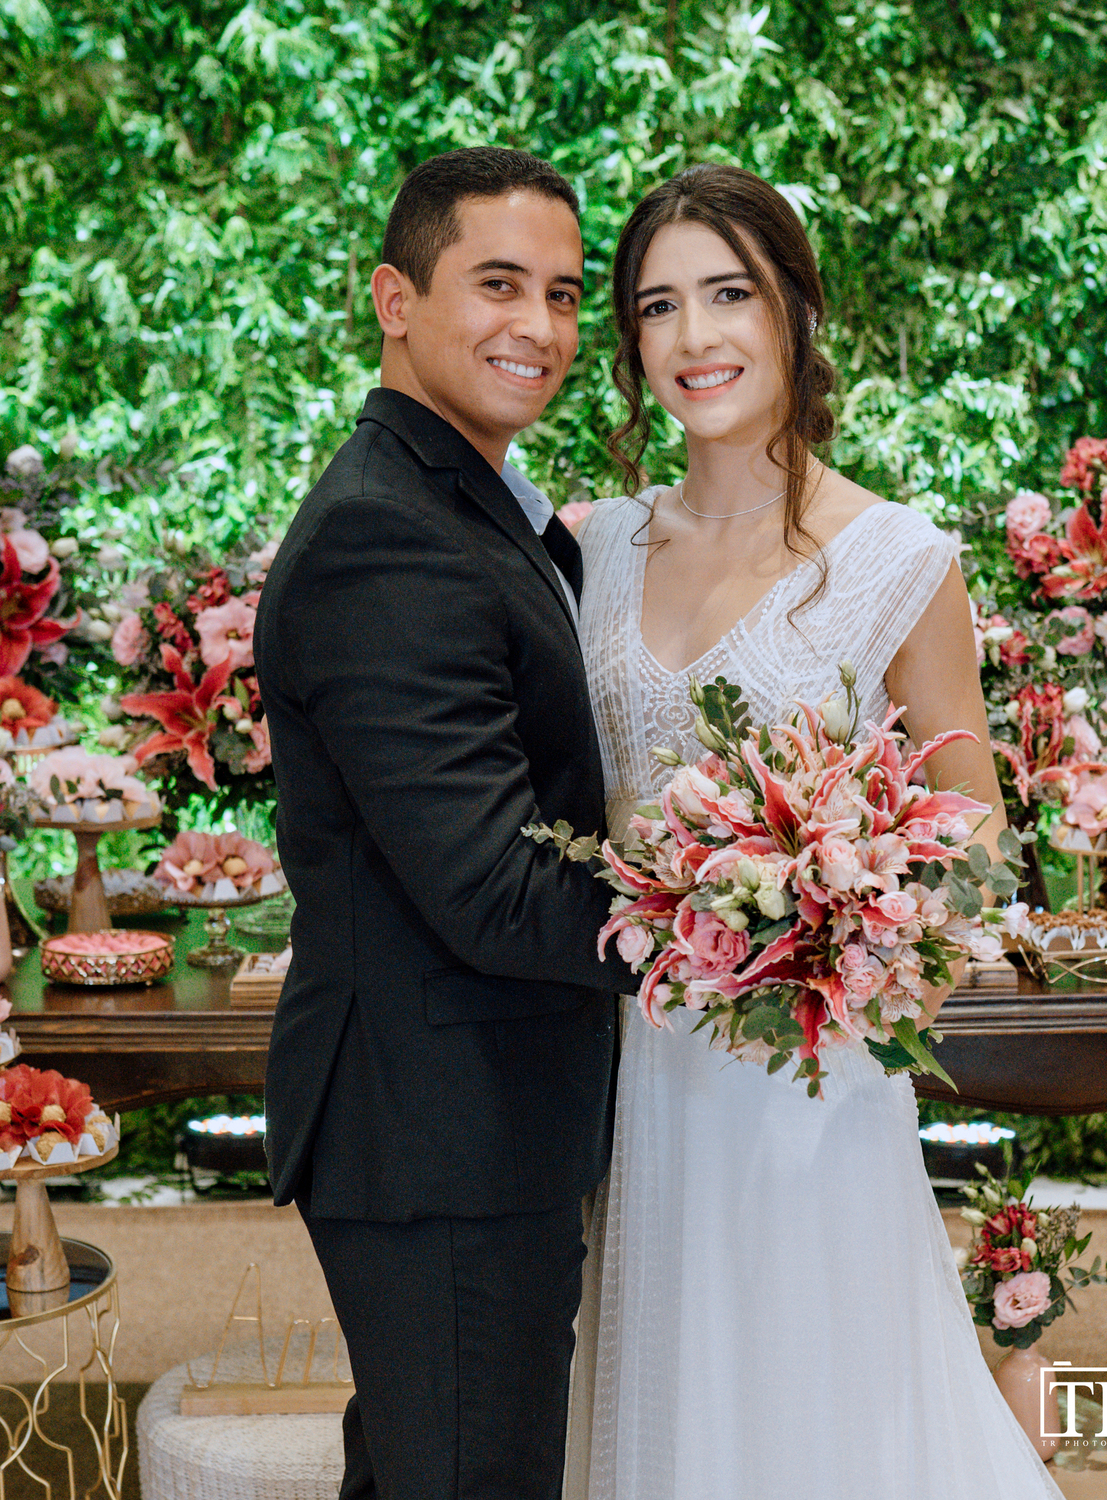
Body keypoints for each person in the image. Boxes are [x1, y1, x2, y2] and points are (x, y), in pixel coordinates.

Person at [565, 163, 1060, 1499]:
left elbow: (972, 841)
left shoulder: (897, 558)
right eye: (658, 307)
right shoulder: (590, 546)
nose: (693, 338)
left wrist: (841, 935)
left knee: (815, 1411)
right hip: (623, 1060)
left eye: (727, 294)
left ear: (794, 308)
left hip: (806, 1083)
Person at [255, 146, 636, 1500]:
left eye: (564, 292)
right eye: (496, 284)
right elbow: (491, 887)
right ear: (395, 300)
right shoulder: (389, 536)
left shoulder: (461, 504)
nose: (537, 326)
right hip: (440, 1137)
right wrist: (732, 925)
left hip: (463, 1122)